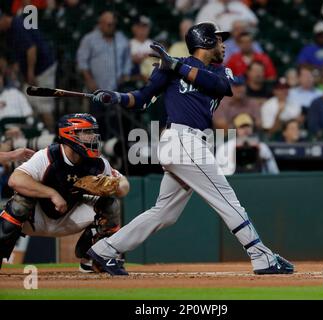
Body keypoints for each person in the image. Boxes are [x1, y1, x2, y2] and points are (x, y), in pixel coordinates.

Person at [89, 22, 294, 276]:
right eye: (219, 40)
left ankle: (104, 250)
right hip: (180, 140)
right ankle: (261, 257)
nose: (223, 45)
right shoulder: (169, 67)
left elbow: (219, 87)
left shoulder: (221, 72)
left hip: (190, 142)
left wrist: (175, 65)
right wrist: (117, 97)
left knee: (164, 214)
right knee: (226, 200)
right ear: (206, 40)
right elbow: (141, 98)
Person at [0, 114, 130, 272]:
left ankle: (92, 259)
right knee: (19, 203)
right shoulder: (48, 155)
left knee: (111, 205)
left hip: (70, 218)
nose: (92, 137)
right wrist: (52, 194)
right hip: (35, 220)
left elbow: (124, 185)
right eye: (86, 132)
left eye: (93, 132)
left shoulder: (98, 162)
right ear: (69, 134)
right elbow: (15, 179)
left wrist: (115, 187)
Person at [0, 10, 57, 131]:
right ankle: (39, 133)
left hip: (43, 68)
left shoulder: (17, 26)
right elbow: (20, 52)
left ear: (4, 18)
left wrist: (30, 72)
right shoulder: (9, 30)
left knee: (43, 106)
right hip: (35, 69)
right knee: (30, 103)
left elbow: (31, 49)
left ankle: (53, 136)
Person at [77, 11, 131, 93]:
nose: (111, 27)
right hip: (95, 87)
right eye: (109, 24)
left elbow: (127, 59)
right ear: (100, 24)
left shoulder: (121, 38)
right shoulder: (89, 39)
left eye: (113, 24)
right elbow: (82, 61)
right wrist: (89, 80)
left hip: (118, 88)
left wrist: (124, 76)